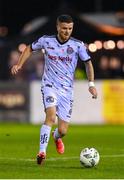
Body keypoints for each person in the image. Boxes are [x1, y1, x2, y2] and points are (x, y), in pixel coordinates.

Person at [11, 14, 98, 165]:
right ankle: (42, 151)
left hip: (67, 91)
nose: (67, 31)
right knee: (50, 117)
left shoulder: (77, 45)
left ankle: (56, 137)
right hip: (49, 86)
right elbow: (29, 48)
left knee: (63, 130)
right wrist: (19, 64)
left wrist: (91, 85)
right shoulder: (46, 40)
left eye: (70, 29)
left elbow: (88, 63)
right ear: (57, 27)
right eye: (64, 28)